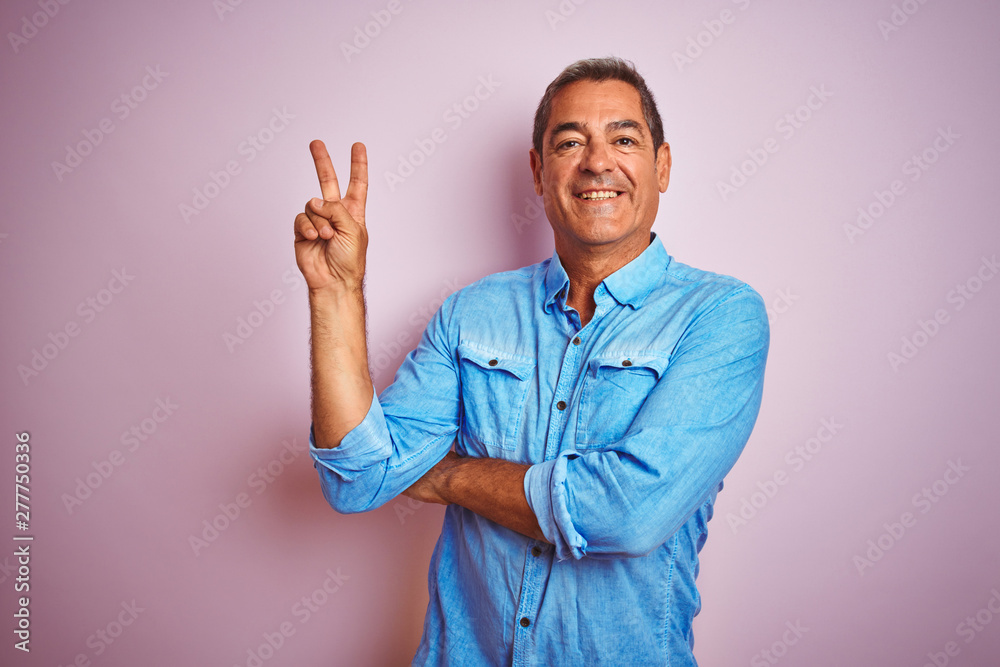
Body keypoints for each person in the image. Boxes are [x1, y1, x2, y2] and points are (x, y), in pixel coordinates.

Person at [293, 57, 770, 666]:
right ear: (539, 173)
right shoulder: (473, 313)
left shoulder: (721, 316)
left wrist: (447, 476)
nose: (598, 162)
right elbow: (357, 478)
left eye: (623, 139)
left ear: (663, 165)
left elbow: (626, 513)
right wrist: (335, 293)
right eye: (570, 142)